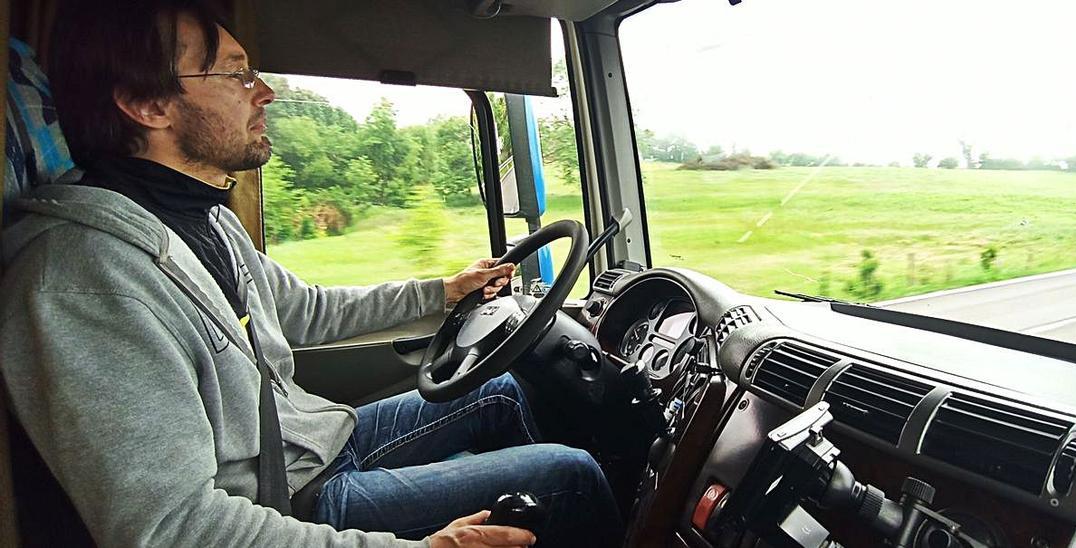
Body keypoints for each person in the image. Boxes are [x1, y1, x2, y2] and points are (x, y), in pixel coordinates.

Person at [0, 0, 622, 546]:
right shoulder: (83, 280)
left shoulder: (198, 217)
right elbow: (175, 528)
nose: (263, 90)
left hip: (308, 445)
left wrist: (443, 292)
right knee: (567, 474)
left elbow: (308, 311)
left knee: (499, 391)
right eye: (236, 74)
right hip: (286, 499)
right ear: (145, 104)